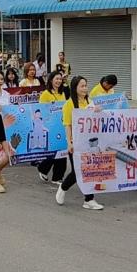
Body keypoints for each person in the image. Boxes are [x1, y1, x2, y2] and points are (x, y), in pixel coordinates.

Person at [55, 75, 104, 210]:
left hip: (89, 142)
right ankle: (63, 187)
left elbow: (95, 120)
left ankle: (89, 199)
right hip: (76, 142)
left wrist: (98, 111)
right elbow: (67, 125)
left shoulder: (89, 101)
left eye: (86, 85)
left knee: (89, 170)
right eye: (82, 86)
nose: (85, 88)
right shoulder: (69, 104)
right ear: (75, 88)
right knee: (77, 171)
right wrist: (69, 143)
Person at [37, 72, 67, 184]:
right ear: (51, 80)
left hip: (62, 125)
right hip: (51, 126)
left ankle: (57, 177)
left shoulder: (63, 93)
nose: (58, 81)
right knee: (54, 151)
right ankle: (43, 168)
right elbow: (42, 110)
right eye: (56, 79)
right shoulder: (45, 94)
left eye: (60, 79)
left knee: (63, 151)